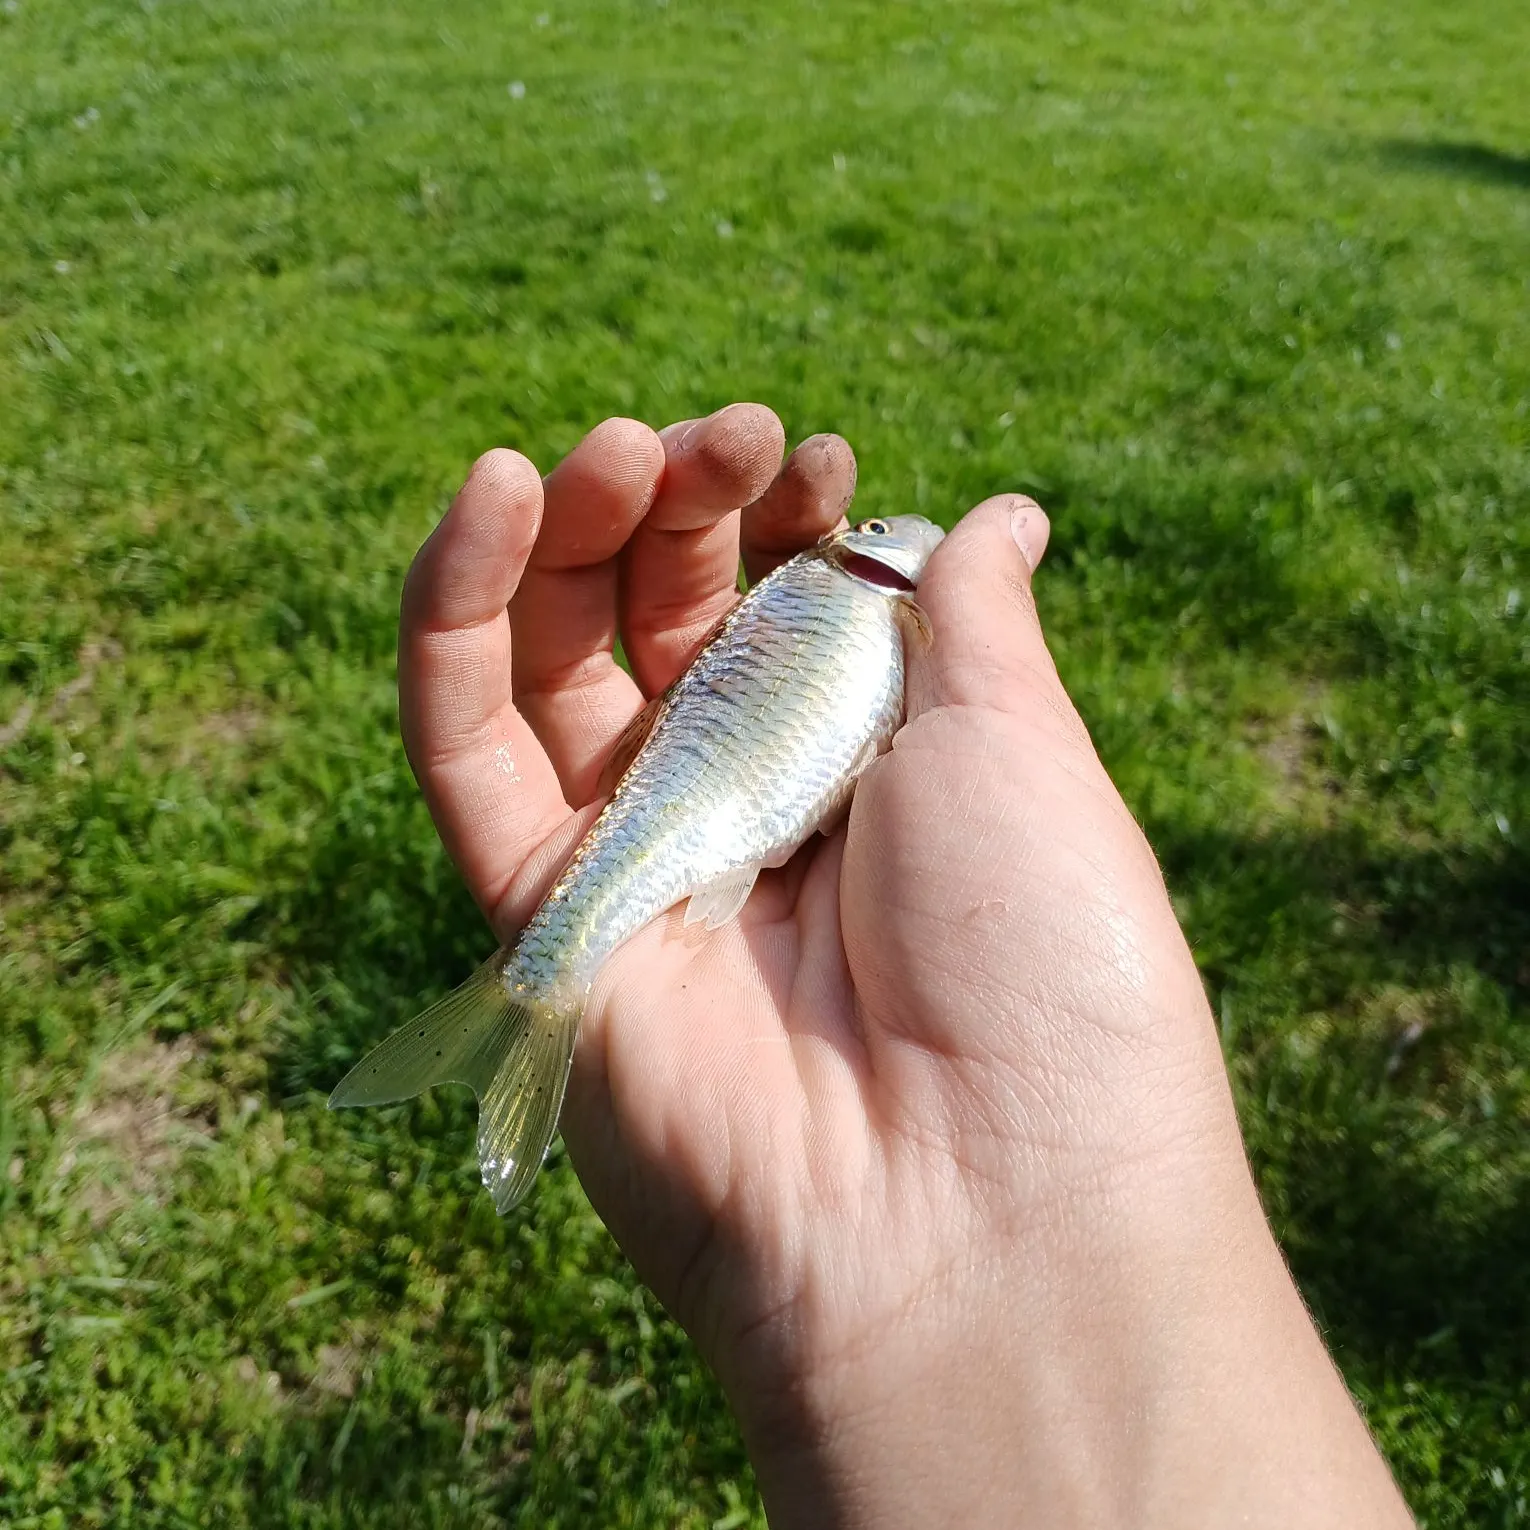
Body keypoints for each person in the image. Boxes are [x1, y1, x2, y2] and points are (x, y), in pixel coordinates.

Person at [399, 402, 1414, 1527]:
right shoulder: (845, 592)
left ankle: (527, 998)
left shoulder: (863, 606)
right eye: (883, 524)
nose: (894, 528)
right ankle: (531, 992)